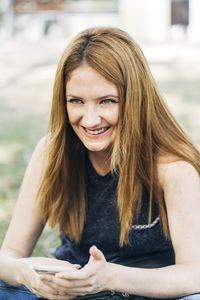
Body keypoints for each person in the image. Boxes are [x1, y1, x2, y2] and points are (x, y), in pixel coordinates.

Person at [0, 27, 200, 300]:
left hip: (150, 292)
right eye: (76, 101)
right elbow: (8, 255)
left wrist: (109, 277)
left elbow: (193, 275)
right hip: (75, 294)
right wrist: (26, 272)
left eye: (106, 101)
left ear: (134, 100)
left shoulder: (172, 167)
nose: (90, 119)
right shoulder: (51, 152)